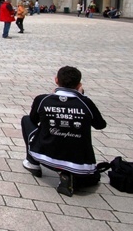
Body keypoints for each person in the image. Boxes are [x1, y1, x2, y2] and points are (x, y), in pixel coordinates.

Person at [21, 66, 107, 197]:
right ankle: (69, 173)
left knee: (26, 120)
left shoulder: (43, 99)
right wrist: (82, 98)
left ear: (56, 80)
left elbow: (33, 119)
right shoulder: (86, 103)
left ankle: (33, 162)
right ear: (79, 85)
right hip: (80, 163)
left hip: (45, 156)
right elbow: (100, 125)